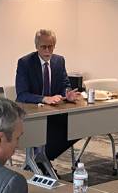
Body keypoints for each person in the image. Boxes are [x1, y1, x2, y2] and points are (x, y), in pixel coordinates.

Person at [15, 29, 80, 163]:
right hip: (32, 114)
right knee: (54, 131)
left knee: (77, 126)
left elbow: (64, 84)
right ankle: (40, 162)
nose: (47, 50)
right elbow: (22, 95)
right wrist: (44, 98)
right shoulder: (25, 63)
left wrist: (67, 93)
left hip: (54, 111)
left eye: (50, 46)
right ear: (36, 46)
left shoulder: (59, 60)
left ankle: (43, 159)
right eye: (43, 47)